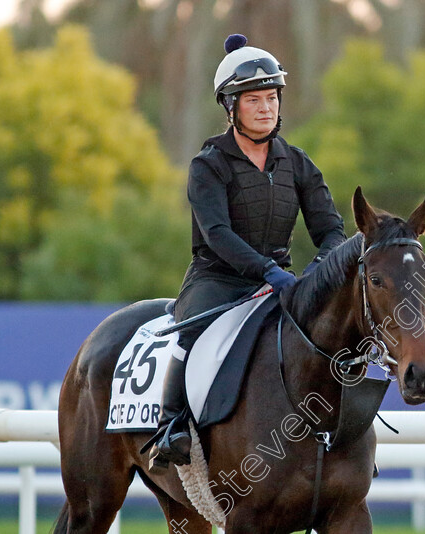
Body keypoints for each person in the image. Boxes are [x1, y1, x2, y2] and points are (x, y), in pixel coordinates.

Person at [147, 34, 347, 472]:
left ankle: (343, 438)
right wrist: (266, 271)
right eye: (253, 99)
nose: (266, 107)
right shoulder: (208, 165)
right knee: (188, 333)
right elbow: (216, 233)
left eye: (272, 97)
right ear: (230, 107)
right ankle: (171, 425)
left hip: (286, 281)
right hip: (218, 280)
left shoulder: (298, 162)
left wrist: (318, 270)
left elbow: (332, 229)